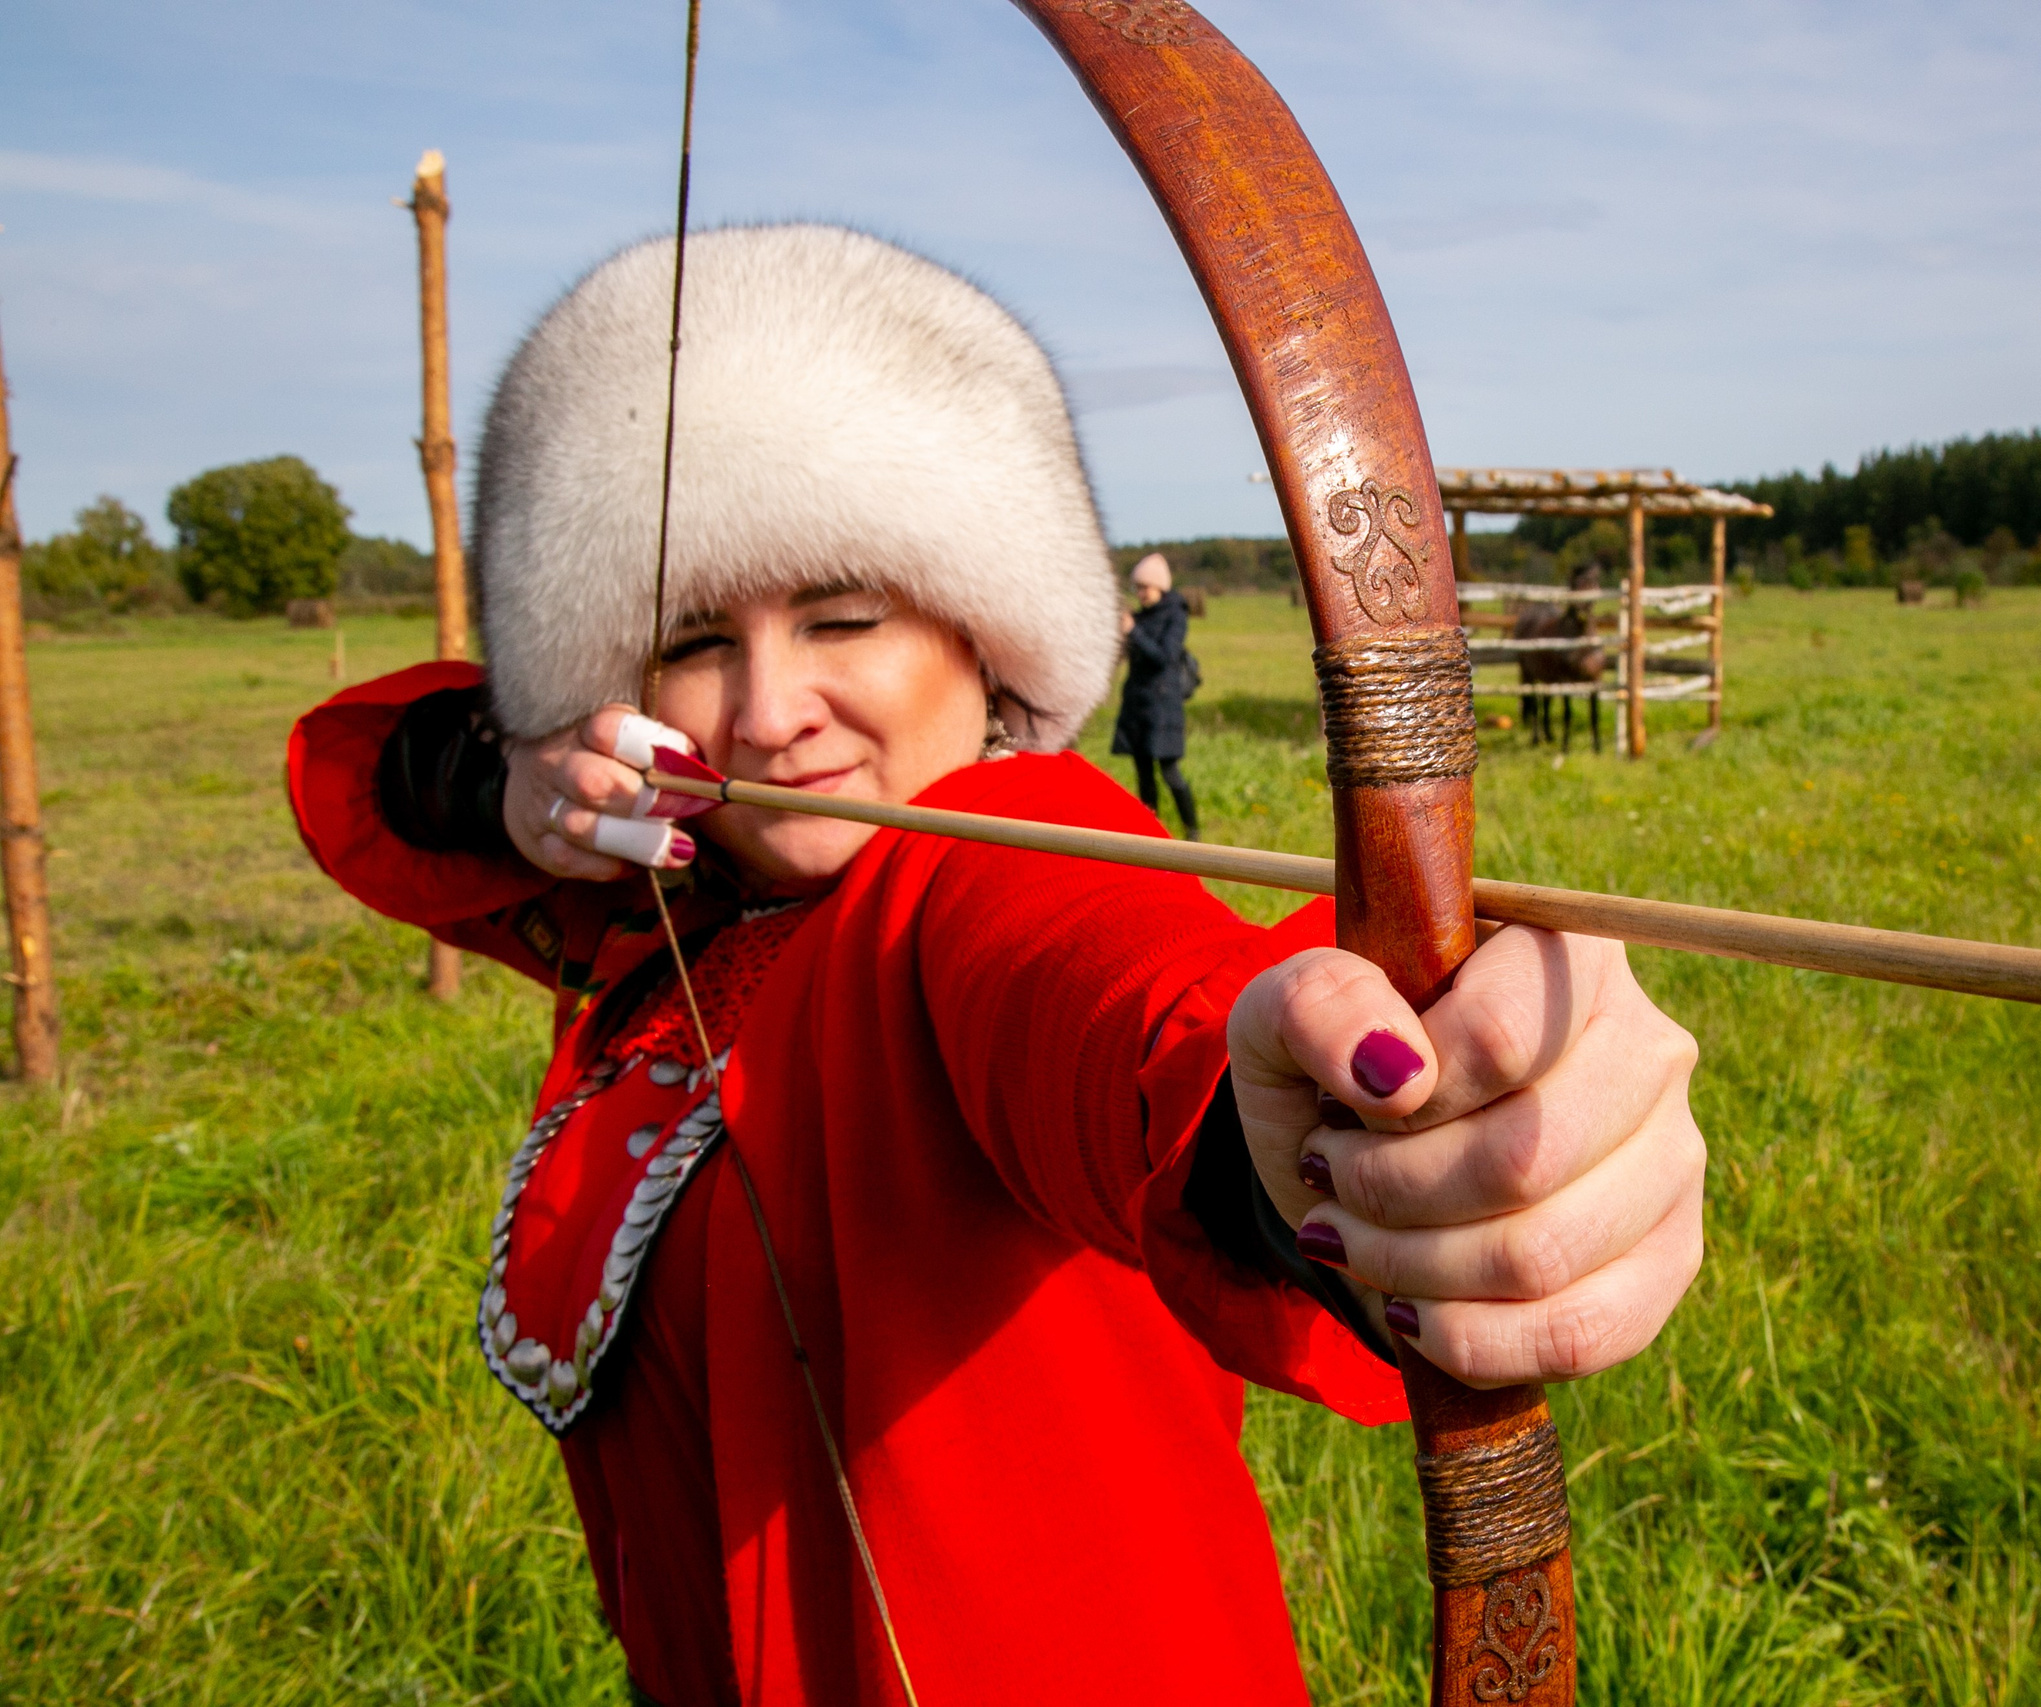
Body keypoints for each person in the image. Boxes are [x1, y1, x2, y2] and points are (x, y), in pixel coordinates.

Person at [288, 224, 1704, 1707]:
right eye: (693, 637)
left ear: (986, 634)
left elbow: (1121, 1000)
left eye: (845, 616)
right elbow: (345, 781)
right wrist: (511, 776)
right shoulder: (666, 921)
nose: (770, 714)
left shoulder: (989, 851)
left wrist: (1327, 1133)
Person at [1112, 551, 1196, 837]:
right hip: (1138, 704)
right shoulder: (1139, 617)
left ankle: (1192, 831)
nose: (1140, 593)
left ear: (1160, 586)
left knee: (1170, 772)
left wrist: (1133, 631)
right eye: (1137, 587)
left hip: (1163, 706)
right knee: (1144, 775)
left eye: (1145, 587)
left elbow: (1164, 657)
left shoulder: (1175, 615)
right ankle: (1152, 836)